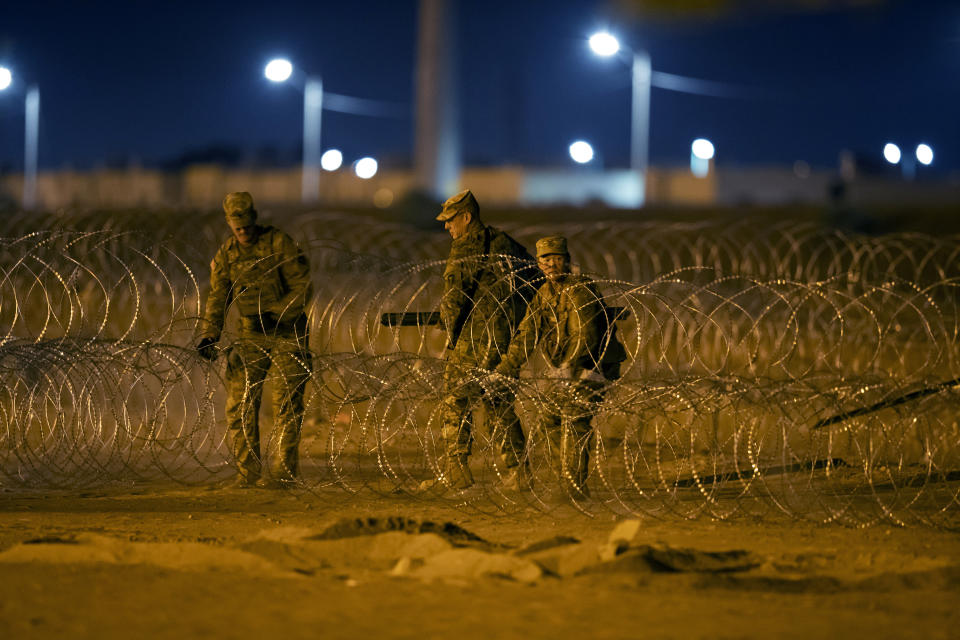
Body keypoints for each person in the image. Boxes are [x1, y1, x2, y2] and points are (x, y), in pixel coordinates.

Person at [422, 189, 538, 492]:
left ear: (466, 217)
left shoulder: (465, 247)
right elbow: (534, 282)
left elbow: (454, 299)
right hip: (503, 339)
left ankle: (456, 471)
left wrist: (448, 329)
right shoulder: (505, 243)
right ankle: (519, 472)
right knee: (498, 403)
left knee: (455, 401)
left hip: (474, 340)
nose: (447, 227)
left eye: (450, 221)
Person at [493, 235, 625, 499]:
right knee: (549, 417)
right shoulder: (544, 293)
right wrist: (505, 368)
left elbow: (585, 336)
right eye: (545, 259)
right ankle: (563, 480)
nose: (551, 264)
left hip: (592, 367)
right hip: (565, 370)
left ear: (566, 260)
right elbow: (527, 334)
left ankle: (574, 487)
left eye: (557, 258)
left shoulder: (580, 289)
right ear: (539, 263)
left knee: (574, 416)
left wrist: (567, 369)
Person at [196, 192, 313, 489]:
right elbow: (219, 295)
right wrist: (210, 333)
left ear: (254, 218)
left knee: (285, 402)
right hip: (252, 332)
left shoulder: (277, 243)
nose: (244, 232)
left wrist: (279, 312)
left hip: (288, 331)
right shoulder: (227, 254)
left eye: (247, 226)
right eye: (238, 228)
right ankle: (247, 473)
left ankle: (284, 474)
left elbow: (302, 285)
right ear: (230, 225)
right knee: (241, 402)